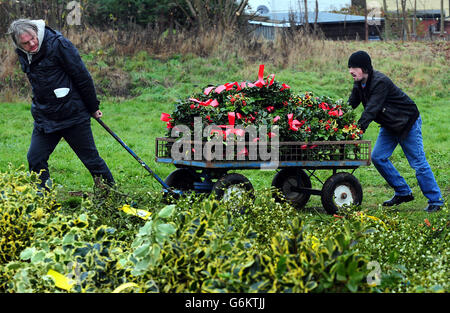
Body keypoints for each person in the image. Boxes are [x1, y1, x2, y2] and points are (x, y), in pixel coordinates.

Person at [7, 19, 114, 191]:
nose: (32, 44)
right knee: (35, 158)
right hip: (45, 116)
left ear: (36, 32)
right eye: (25, 43)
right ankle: (43, 198)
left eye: (33, 38)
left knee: (91, 160)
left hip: (73, 114)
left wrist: (93, 107)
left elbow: (82, 76)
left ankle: (111, 194)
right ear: (18, 44)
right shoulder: (23, 53)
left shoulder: (58, 44)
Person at [347, 50, 443, 213]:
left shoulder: (380, 82)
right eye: (349, 67)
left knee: (418, 162)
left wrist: (356, 131)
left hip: (407, 123)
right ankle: (403, 192)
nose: (351, 71)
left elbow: (371, 110)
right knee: (378, 157)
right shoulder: (359, 84)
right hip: (390, 124)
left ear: (365, 68)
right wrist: (334, 114)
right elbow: (351, 104)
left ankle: (436, 200)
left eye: (354, 67)